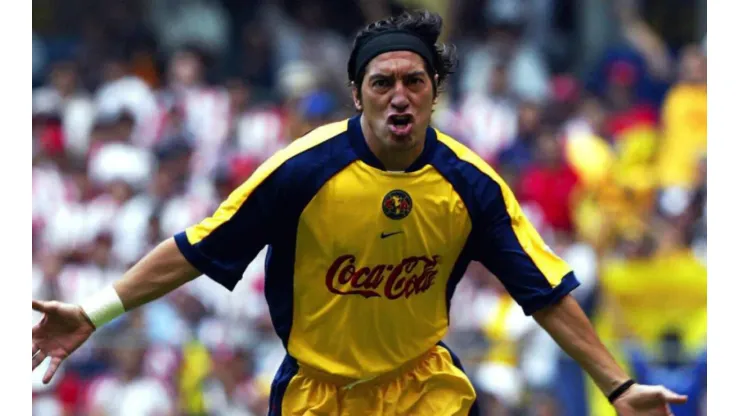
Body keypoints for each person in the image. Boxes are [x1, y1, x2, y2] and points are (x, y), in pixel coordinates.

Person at [33, 10, 688, 416]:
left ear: (433, 96)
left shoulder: (471, 186)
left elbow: (544, 292)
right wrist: (93, 312)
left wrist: (618, 386)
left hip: (422, 388)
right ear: (357, 94)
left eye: (415, 82)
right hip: (318, 396)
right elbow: (197, 248)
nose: (399, 96)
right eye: (383, 83)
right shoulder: (302, 170)